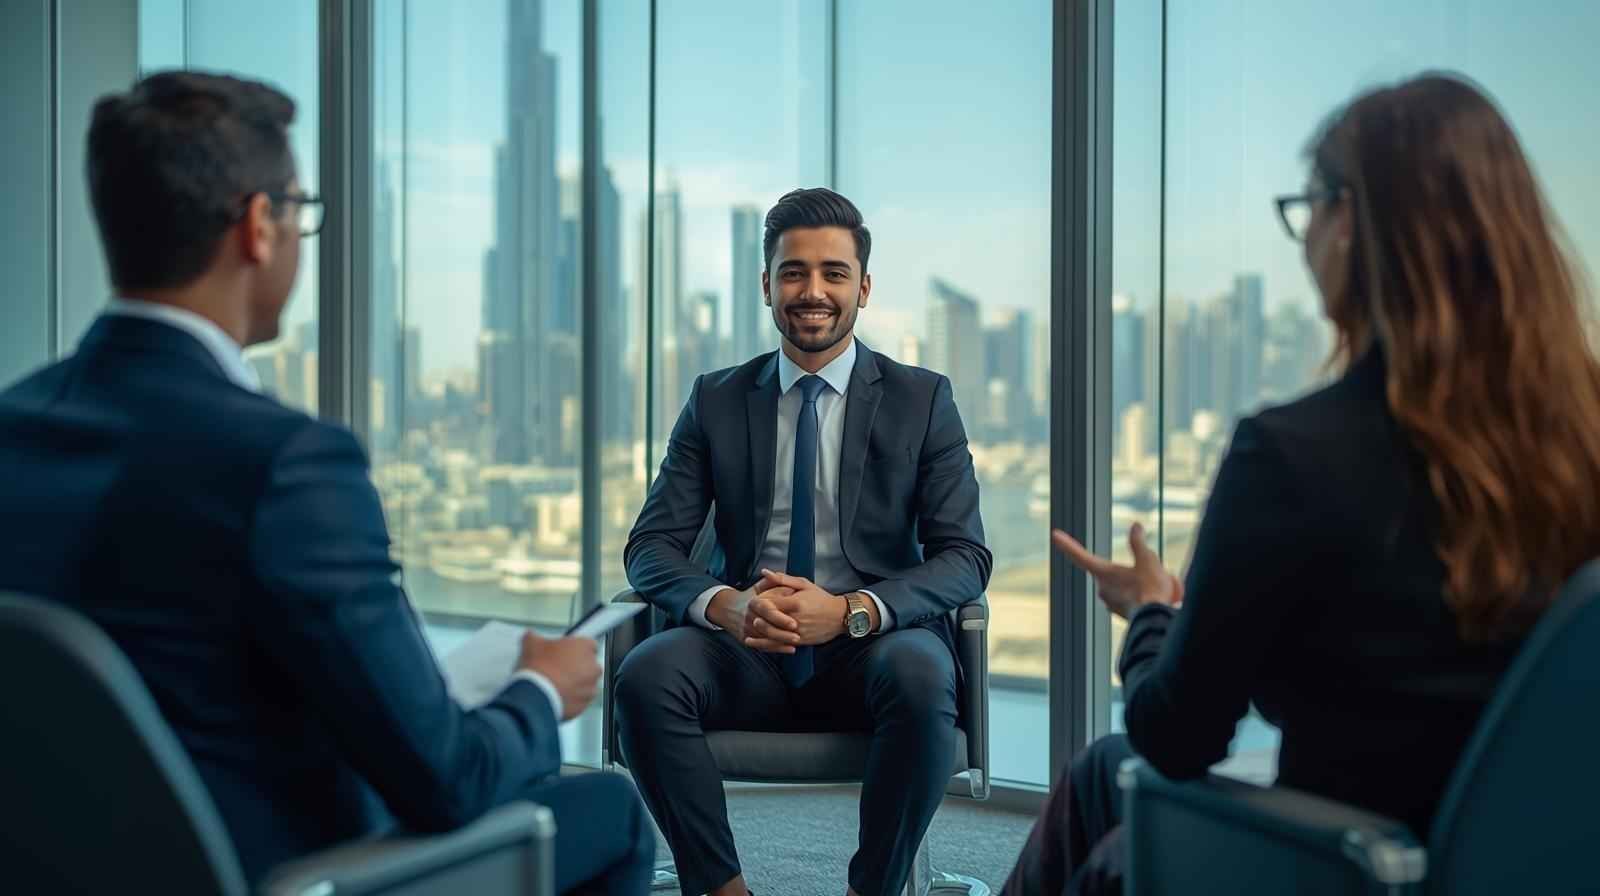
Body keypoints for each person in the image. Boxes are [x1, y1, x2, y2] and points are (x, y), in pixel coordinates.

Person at [0, 71, 652, 894]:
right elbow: (448, 780)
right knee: (609, 811)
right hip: (277, 866)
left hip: (58, 865)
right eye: (302, 214)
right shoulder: (286, 462)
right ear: (257, 227)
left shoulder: (13, 425)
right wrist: (541, 688)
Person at [1003, 72, 1600, 895]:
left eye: (1310, 204)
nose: (1307, 232)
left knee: (1118, 850)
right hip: (1527, 855)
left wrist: (1149, 613)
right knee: (1103, 768)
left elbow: (1178, 736)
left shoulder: (1292, 454)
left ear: (1353, 220)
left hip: (1338, 860)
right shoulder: (1584, 439)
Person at [616, 187, 993, 896]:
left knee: (921, 673)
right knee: (646, 675)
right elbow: (651, 547)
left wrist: (850, 610)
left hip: (871, 648)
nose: (811, 291)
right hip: (743, 648)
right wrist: (724, 604)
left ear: (864, 288)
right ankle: (721, 888)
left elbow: (965, 556)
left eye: (833, 273)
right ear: (766, 285)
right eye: (793, 272)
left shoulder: (923, 400)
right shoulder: (716, 399)